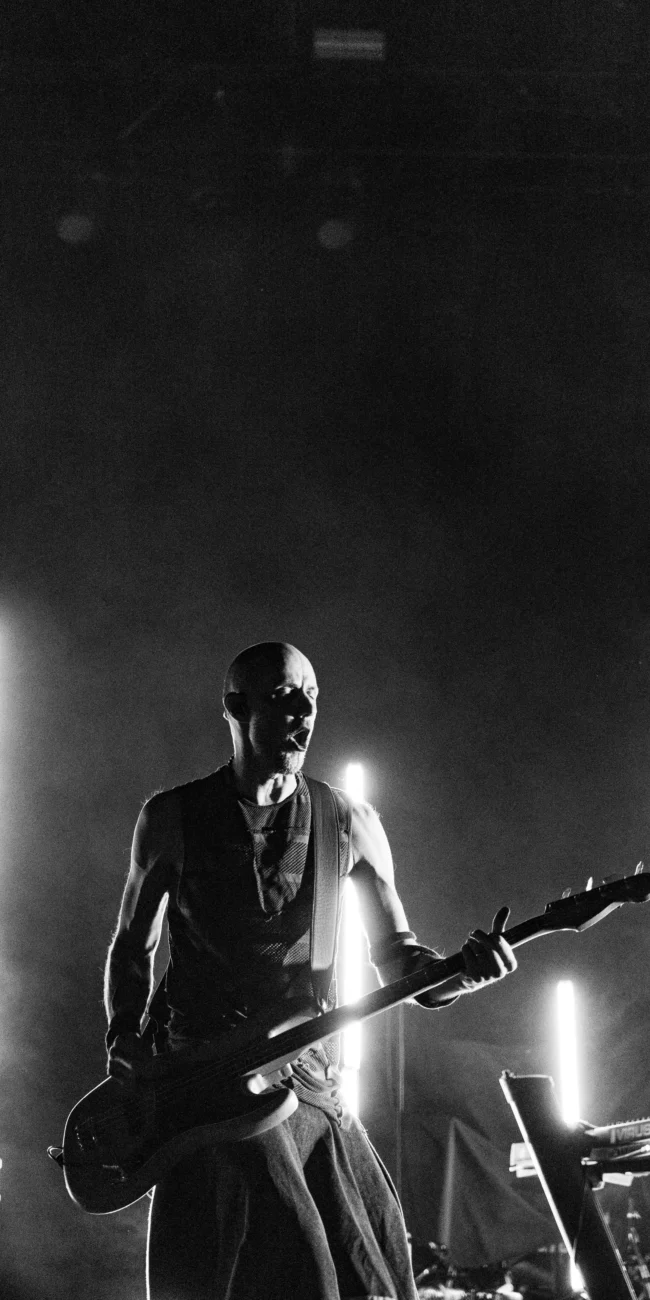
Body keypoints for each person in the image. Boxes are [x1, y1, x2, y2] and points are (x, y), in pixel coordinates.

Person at [104, 641, 517, 1300]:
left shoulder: (346, 820)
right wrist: (124, 1036)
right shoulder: (173, 818)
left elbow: (400, 958)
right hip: (209, 1088)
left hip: (309, 1083)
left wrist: (463, 974)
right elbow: (133, 945)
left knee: (368, 1266)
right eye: (282, 696)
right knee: (284, 1258)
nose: (303, 711)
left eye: (312, 697)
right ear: (236, 707)